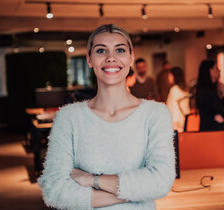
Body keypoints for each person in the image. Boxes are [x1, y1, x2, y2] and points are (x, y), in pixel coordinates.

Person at [38, 24, 175, 209]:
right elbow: (53, 190)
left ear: (131, 58)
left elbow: (161, 182)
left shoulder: (156, 114)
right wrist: (137, 191)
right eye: (101, 50)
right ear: (89, 59)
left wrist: (92, 179)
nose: (111, 58)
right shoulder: (67, 118)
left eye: (120, 50)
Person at [196, 60, 224, 131]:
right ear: (210, 71)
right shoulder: (206, 92)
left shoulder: (208, 90)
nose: (219, 71)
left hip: (212, 132)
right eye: (216, 68)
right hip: (211, 133)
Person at [166, 67, 191, 132]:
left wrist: (175, 122)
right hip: (185, 120)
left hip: (176, 124)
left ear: (174, 76)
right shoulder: (185, 89)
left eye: (170, 75)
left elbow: (174, 107)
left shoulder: (174, 90)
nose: (168, 77)